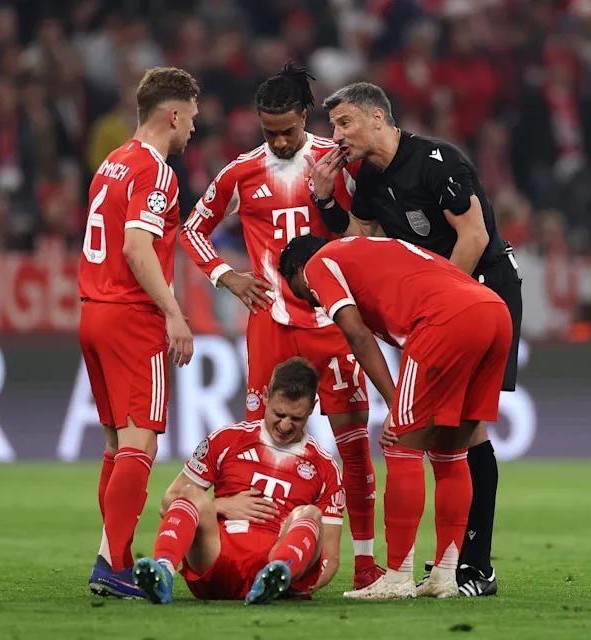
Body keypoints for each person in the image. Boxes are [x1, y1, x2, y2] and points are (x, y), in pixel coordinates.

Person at [308, 81, 522, 596]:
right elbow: (359, 245)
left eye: (344, 123)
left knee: (466, 433)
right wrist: (325, 198)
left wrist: (440, 307)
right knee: (450, 438)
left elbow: (474, 236)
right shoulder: (368, 178)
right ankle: (454, 566)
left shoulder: (437, 161)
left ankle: (473, 565)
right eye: (333, 126)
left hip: (480, 286)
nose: (336, 136)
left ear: (378, 118)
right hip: (442, 307)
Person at [179, 62, 383, 589]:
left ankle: (365, 565)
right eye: (270, 132)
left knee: (354, 446)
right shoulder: (241, 171)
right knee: (262, 448)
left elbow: (367, 226)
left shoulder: (337, 161)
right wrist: (227, 276)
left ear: (305, 118)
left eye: (288, 130)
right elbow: (193, 229)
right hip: (271, 326)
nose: (281, 141)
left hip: (333, 321)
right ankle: (252, 558)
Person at [279, 235, 511, 599]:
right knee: (452, 452)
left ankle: (398, 577)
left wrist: (395, 402)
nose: (310, 301)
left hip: (446, 318)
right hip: (494, 312)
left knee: (401, 444)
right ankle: (445, 576)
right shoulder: (368, 247)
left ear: (297, 270)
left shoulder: (318, 265)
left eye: (299, 291)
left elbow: (357, 336)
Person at [78, 67, 199, 598]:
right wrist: (173, 312)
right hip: (131, 316)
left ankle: (116, 559)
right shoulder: (156, 170)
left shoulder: (111, 163)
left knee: (115, 444)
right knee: (140, 442)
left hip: (93, 311)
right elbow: (135, 245)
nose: (193, 127)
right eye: (191, 117)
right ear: (172, 115)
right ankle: (111, 563)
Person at [133, 357, 344, 605]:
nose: (285, 425)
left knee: (310, 514)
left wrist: (302, 586)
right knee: (190, 493)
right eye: (279, 414)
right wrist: (220, 505)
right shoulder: (227, 440)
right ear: (265, 396)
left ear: (312, 408)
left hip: (274, 565)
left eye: (296, 418)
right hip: (214, 559)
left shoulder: (325, 467)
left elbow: (330, 558)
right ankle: (163, 572)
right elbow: (166, 503)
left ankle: (277, 575)